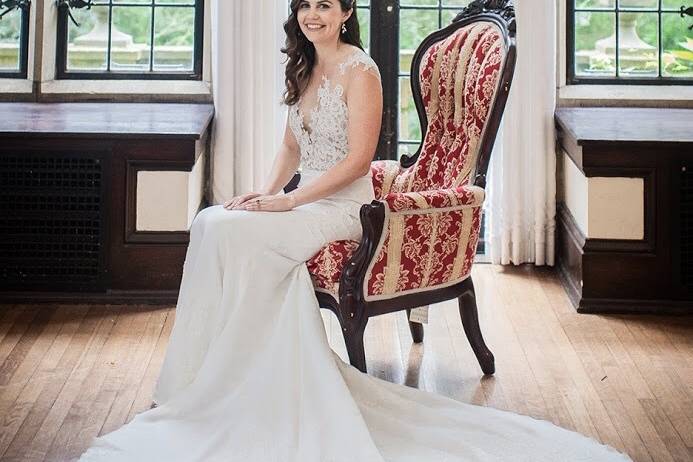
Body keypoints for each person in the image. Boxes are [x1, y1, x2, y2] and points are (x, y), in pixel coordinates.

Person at [78, 1, 632, 460]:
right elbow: (291, 145)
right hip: (300, 197)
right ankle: (204, 383)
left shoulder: (360, 70)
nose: (312, 15)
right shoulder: (301, 67)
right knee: (214, 223)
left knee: (236, 236)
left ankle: (253, 386)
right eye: (305, 6)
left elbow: (360, 160)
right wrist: (260, 194)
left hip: (345, 205)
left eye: (325, 5)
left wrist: (288, 200)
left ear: (345, 13)